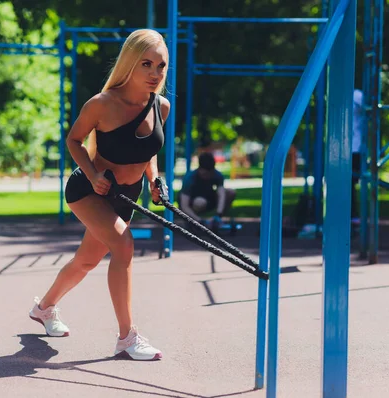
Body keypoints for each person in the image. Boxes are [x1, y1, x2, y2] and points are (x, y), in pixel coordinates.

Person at [28, 29, 170, 361]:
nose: (154, 73)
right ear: (130, 63)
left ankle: (44, 308)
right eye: (146, 64)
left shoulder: (160, 106)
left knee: (87, 260)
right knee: (124, 245)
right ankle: (127, 337)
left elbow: (148, 151)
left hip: (127, 196)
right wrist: (92, 175)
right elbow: (74, 140)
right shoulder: (102, 104)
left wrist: (155, 179)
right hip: (89, 190)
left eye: (161, 66)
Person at [179, 152, 236, 229]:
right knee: (200, 202)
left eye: (210, 174)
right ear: (200, 169)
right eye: (205, 174)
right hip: (194, 203)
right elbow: (184, 206)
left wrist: (218, 215)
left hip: (209, 199)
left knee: (230, 192)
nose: (208, 176)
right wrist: (200, 221)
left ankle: (217, 220)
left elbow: (221, 194)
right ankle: (193, 222)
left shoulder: (217, 175)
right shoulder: (190, 178)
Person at [351, 88, 365, 224]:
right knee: (349, 183)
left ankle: (352, 214)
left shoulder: (357, 95)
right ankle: (351, 214)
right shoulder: (356, 95)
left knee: (351, 182)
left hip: (355, 148)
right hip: (352, 147)